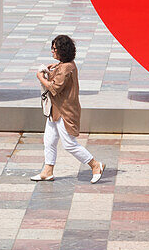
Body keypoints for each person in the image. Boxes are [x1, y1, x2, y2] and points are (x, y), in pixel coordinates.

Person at [31, 34, 104, 183]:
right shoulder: (65, 65)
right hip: (55, 111)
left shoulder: (65, 69)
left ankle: (95, 165)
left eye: (54, 49)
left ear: (61, 51)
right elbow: (58, 76)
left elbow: (54, 88)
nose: (52, 51)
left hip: (64, 112)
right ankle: (47, 171)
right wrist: (53, 68)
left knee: (69, 144)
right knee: (49, 141)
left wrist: (40, 77)